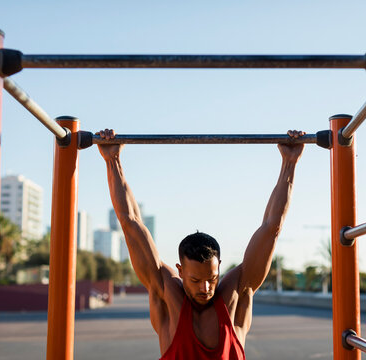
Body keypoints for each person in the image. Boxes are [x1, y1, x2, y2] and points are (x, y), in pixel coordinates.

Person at [97, 129, 305, 360]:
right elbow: (130, 224)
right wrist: (112, 160)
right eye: (195, 280)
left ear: (219, 269)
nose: (205, 288)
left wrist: (289, 162)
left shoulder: (234, 296)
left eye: (212, 279)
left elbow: (271, 227)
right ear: (180, 271)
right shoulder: (168, 295)